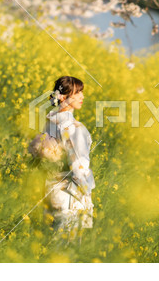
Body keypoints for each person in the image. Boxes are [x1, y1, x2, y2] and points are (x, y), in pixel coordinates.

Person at [39, 76, 96, 238]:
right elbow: (79, 167)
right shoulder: (73, 127)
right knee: (69, 250)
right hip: (70, 195)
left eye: (82, 92)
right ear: (63, 97)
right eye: (77, 92)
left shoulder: (49, 123)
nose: (82, 97)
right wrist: (86, 195)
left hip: (49, 190)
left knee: (49, 245)